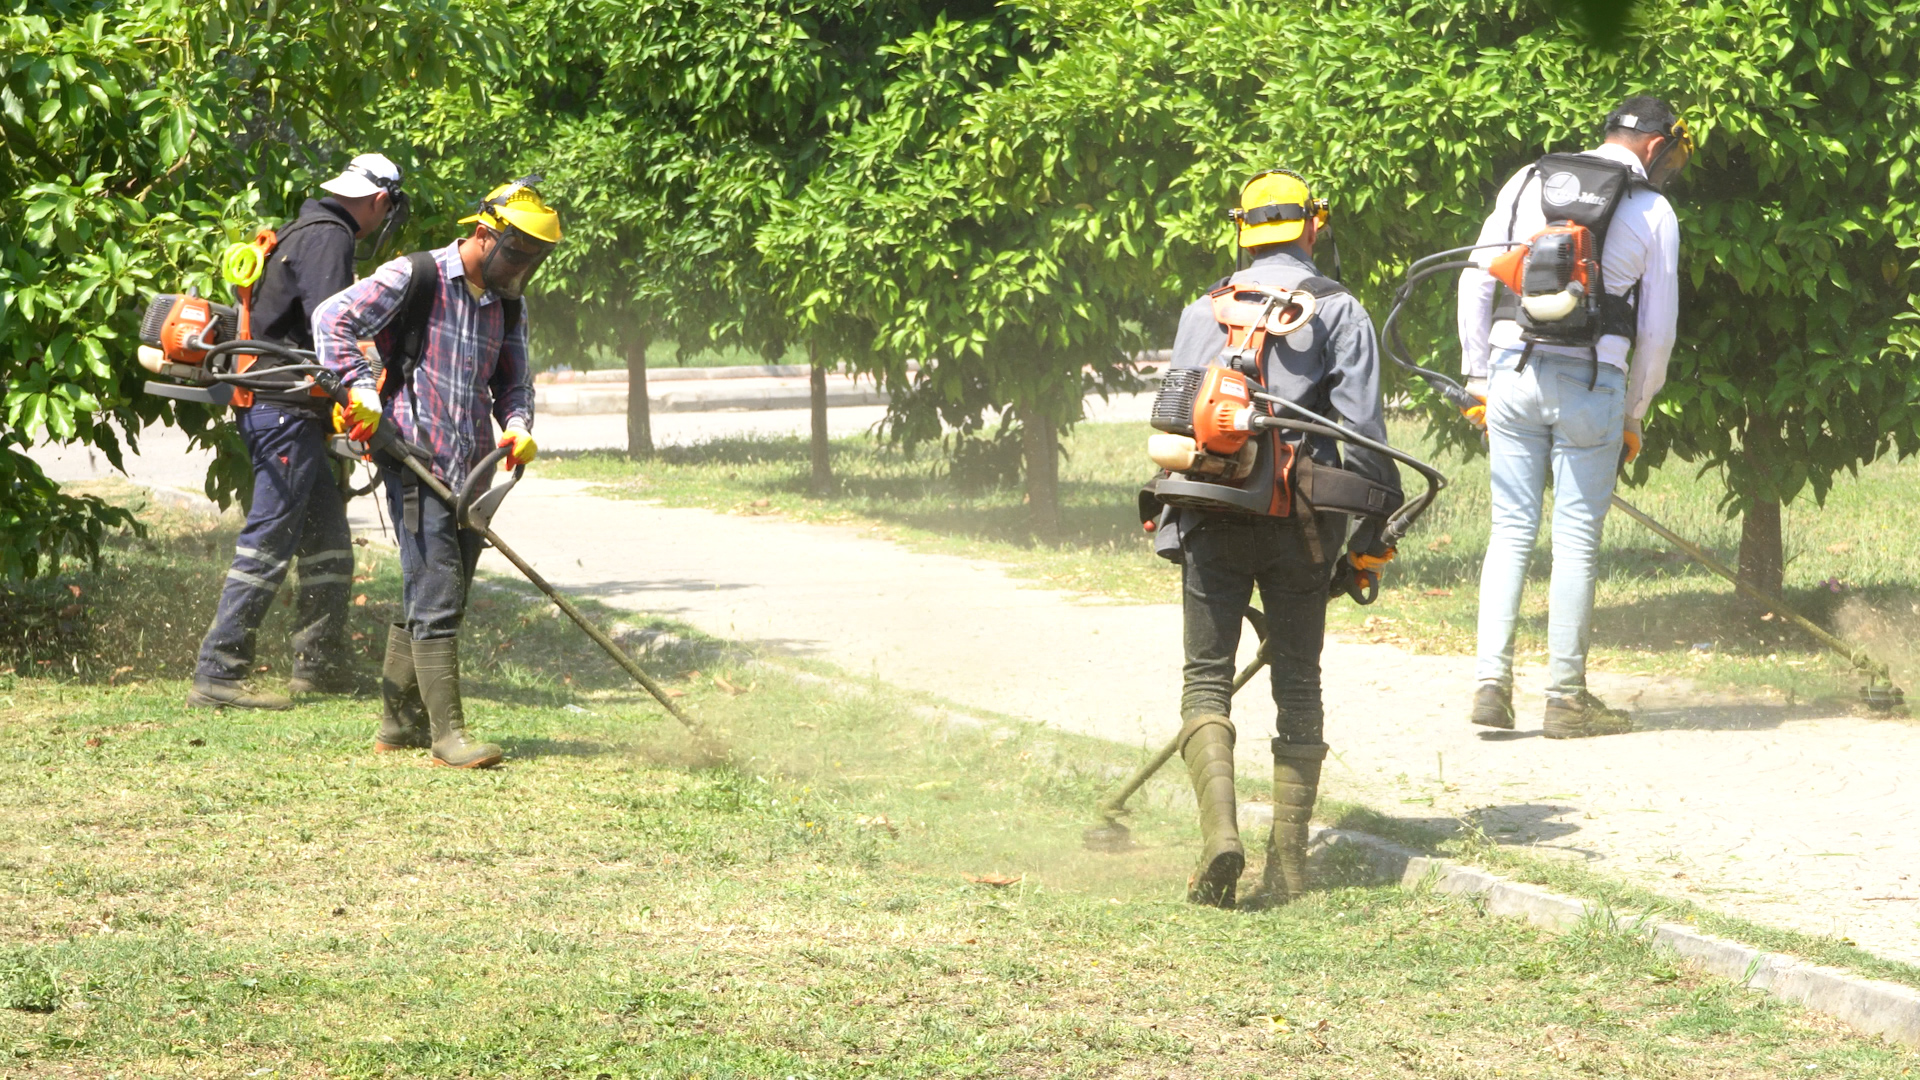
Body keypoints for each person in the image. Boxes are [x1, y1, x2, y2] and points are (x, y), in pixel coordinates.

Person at [1152, 169, 1401, 908]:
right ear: (1313, 228)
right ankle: (1287, 865)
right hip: (1301, 527)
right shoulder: (1340, 310)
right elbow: (1364, 443)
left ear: (1243, 231)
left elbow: (1173, 420)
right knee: (1299, 685)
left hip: (1207, 509)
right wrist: (1372, 533)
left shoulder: (1204, 309)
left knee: (1205, 681)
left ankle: (1217, 838)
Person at [1456, 97, 1689, 738]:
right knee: (1576, 541)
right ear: (1656, 146)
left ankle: (1491, 687)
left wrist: (1478, 375)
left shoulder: (1530, 180)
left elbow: (1476, 280)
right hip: (1594, 381)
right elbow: (1659, 331)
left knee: (1510, 530)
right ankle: (1565, 700)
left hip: (1513, 372)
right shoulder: (1654, 211)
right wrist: (1635, 413)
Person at [313, 177, 560, 768]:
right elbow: (331, 318)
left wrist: (518, 425)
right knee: (438, 588)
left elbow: (513, 381)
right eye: (518, 255)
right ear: (484, 234)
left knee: (432, 589)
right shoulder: (415, 275)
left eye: (534, 261)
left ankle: (396, 727)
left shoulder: (508, 301)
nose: (523, 270)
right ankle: (447, 738)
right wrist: (356, 389)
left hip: (473, 469)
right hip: (412, 457)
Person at [188, 154, 406, 711]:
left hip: (286, 407)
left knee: (329, 542)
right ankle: (219, 671)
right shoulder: (330, 238)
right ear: (381, 202)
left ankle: (321, 665)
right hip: (282, 406)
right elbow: (331, 326)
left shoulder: (303, 227)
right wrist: (366, 386)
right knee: (270, 538)